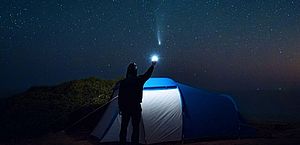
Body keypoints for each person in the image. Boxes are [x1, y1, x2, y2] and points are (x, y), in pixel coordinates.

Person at [118, 61, 156, 145]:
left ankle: (122, 142)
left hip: (125, 107)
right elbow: (147, 75)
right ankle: (134, 143)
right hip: (135, 107)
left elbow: (120, 96)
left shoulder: (123, 82)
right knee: (135, 128)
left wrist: (120, 107)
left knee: (124, 127)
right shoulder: (139, 80)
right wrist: (152, 66)